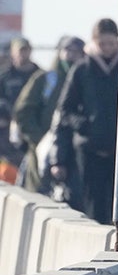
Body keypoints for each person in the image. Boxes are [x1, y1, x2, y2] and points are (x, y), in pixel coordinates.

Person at [50, 18, 118, 224]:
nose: (107, 48)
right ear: (94, 43)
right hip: (89, 150)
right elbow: (65, 109)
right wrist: (83, 125)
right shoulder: (82, 70)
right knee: (93, 205)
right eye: (102, 44)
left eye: (111, 43)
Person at [13, 35, 84, 193]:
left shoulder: (86, 82)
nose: (70, 55)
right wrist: (40, 139)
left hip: (77, 155)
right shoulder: (46, 80)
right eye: (67, 50)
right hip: (41, 153)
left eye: (76, 51)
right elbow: (23, 111)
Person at [0, 36, 40, 107]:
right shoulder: (4, 77)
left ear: (30, 51)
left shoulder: (40, 75)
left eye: (25, 50)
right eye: (20, 50)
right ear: (12, 52)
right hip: (11, 116)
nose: (22, 53)